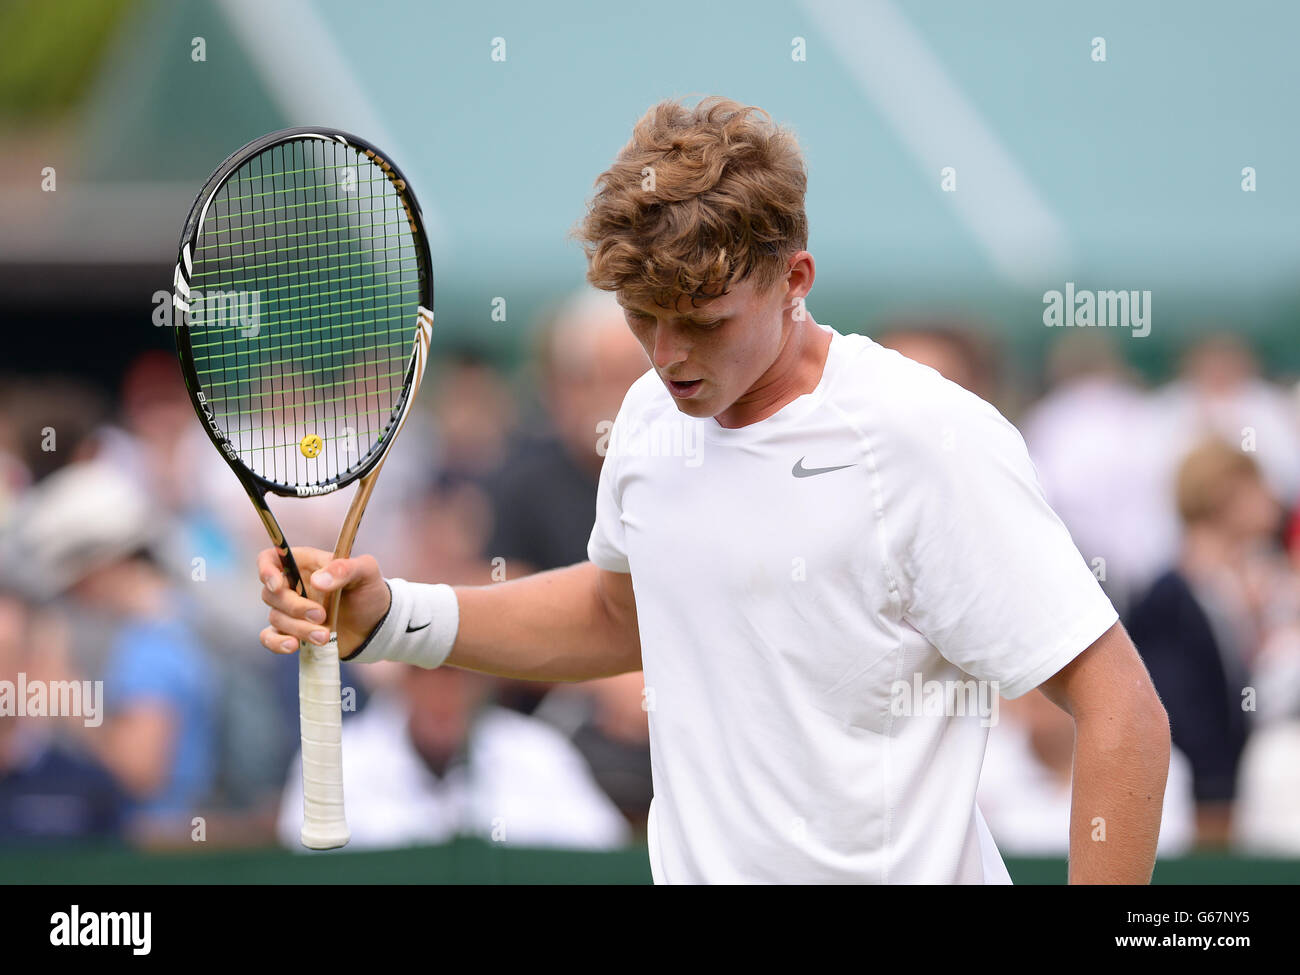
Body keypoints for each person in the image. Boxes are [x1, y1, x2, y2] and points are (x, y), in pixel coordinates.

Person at [256, 95, 1170, 884]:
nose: (666, 356)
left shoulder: (926, 437)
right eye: (641, 316)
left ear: (795, 281)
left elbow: (1123, 710)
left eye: (700, 321)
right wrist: (390, 618)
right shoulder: (649, 418)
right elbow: (624, 614)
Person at [276, 663, 629, 851]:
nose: (442, 693)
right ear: (403, 680)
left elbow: (601, 845)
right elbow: (303, 853)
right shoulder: (339, 759)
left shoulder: (537, 753)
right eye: (426, 674)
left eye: (457, 676)